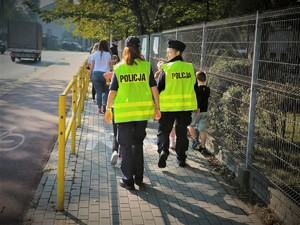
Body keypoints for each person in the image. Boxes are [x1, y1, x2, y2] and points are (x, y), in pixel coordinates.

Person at [105, 36, 160, 190]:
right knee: (138, 144)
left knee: (126, 146)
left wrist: (108, 109)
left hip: (123, 114)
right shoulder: (146, 66)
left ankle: (128, 179)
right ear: (139, 49)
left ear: (126, 50)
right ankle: (139, 177)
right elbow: (153, 88)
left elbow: (112, 92)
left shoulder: (120, 68)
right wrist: (157, 108)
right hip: (141, 114)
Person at [156, 40, 198, 168]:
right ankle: (181, 159)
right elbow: (195, 87)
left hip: (168, 107)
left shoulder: (167, 68)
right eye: (167, 52)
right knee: (181, 133)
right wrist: (197, 105)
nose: (167, 55)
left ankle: (163, 150)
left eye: (170, 52)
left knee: (163, 131)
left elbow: (159, 87)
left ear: (178, 52)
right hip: (185, 107)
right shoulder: (189, 67)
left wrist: (155, 105)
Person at [187, 71, 210, 152]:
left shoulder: (196, 90)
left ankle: (195, 139)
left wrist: (197, 107)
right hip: (205, 111)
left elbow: (197, 99)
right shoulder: (207, 89)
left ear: (196, 79)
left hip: (197, 111)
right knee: (202, 130)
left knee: (190, 125)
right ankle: (203, 147)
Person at [90, 40, 113, 113]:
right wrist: (112, 72)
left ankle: (99, 108)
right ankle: (104, 104)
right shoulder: (108, 54)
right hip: (106, 75)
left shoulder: (95, 53)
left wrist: (91, 74)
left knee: (98, 92)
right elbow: (110, 65)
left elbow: (92, 65)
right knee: (107, 91)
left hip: (96, 74)